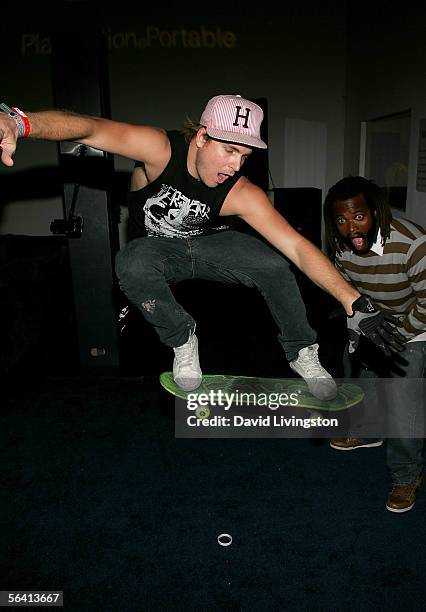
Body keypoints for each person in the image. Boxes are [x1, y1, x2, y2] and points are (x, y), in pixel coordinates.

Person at [0, 96, 404, 398]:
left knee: (274, 265)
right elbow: (87, 127)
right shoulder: (159, 149)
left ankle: (302, 352)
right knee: (131, 262)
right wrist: (20, 123)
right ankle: (182, 339)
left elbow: (298, 247)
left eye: (243, 155)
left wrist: (354, 300)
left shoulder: (241, 193)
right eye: (228, 150)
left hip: (214, 245)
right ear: (200, 137)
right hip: (160, 249)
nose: (234, 165)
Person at [323, 175, 425, 512]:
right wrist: (360, 327)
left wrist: (395, 339)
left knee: (402, 397)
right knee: (358, 370)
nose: (350, 228)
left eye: (359, 216)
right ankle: (368, 430)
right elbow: (350, 294)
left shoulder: (412, 244)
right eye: (340, 219)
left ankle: (407, 474)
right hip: (376, 319)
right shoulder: (341, 247)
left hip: (417, 321)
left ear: (376, 213)